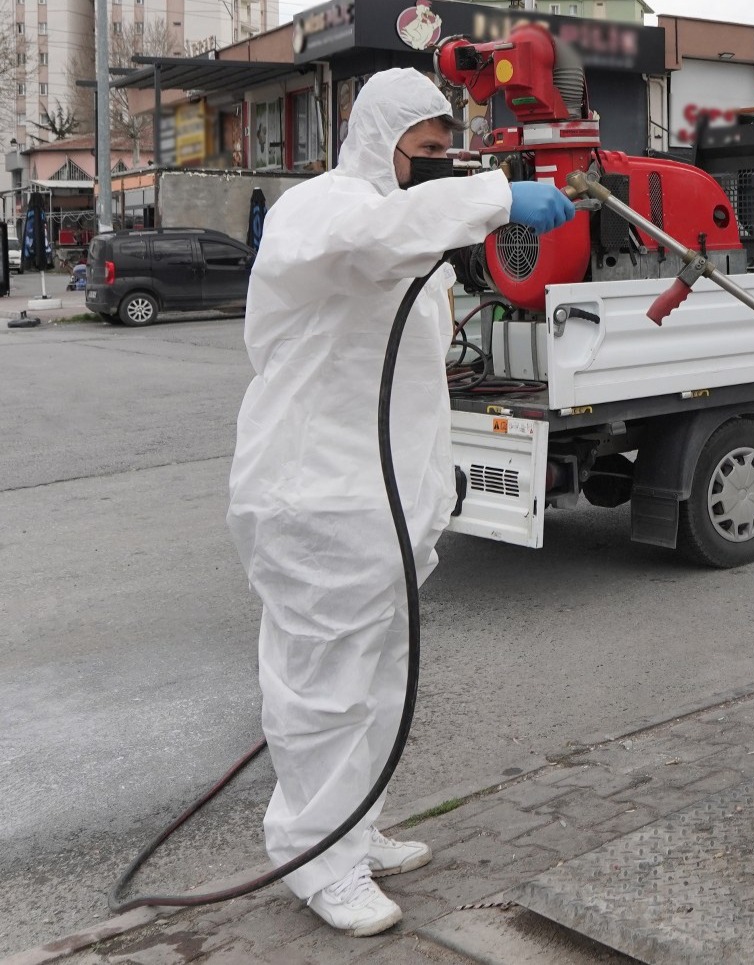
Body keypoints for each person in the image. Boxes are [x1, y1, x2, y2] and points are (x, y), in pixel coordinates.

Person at [226, 68, 574, 938]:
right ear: (380, 142)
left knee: (375, 679)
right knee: (323, 689)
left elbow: (411, 385)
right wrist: (496, 194)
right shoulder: (328, 207)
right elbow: (379, 235)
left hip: (375, 498)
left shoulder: (409, 236)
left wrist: (435, 477)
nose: (435, 168)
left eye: (443, 150)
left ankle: (356, 826)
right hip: (313, 495)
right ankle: (316, 860)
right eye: (423, 152)